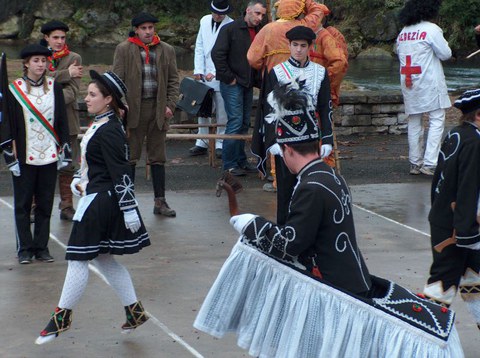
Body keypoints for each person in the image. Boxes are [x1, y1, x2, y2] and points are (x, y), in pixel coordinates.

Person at [35, 70, 151, 345]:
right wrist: (79, 179)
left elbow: (122, 170)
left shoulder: (110, 129)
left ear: (108, 99)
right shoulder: (102, 123)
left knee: (78, 257)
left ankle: (61, 319)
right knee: (103, 258)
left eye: (92, 95)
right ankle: (134, 312)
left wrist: (129, 207)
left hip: (102, 202)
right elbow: (92, 164)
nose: (86, 99)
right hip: (95, 197)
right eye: (87, 93)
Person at [232, 80, 370, 295]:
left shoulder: (310, 187)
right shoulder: (330, 175)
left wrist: (253, 225)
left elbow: (290, 244)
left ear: (287, 148)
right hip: (351, 278)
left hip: (335, 289)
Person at [252, 26, 333, 225]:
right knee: (286, 190)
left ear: (310, 47)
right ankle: (284, 231)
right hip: (285, 142)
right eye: (294, 45)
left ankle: (308, 230)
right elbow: (268, 109)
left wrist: (328, 139)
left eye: (303, 46)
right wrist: (272, 141)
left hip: (310, 141)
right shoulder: (277, 72)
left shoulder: (320, 72)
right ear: (288, 45)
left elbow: (325, 107)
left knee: (309, 187)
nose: (298, 50)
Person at [0, 44, 71, 264]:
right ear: (26, 64)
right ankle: (24, 249)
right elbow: (8, 125)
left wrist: (65, 151)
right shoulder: (15, 90)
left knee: (45, 203)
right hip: (24, 155)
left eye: (43, 60)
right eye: (36, 61)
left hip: (49, 154)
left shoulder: (55, 87)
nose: (40, 65)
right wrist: (9, 156)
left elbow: (61, 121)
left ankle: (41, 247)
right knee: (22, 205)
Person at [422, 89, 480, 331]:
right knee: (442, 285)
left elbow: (439, 181)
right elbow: (468, 188)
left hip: (447, 220)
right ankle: (424, 336)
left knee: (473, 280)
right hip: (460, 228)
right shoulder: (475, 142)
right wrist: (467, 233)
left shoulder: (456, 134)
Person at [113, 12, 179, 216]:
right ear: (136, 30)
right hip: (135, 110)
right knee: (130, 157)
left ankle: (160, 202)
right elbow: (116, 80)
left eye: (151, 28)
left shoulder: (166, 49)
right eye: (144, 28)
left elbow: (174, 80)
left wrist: (170, 104)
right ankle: (128, 202)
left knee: (158, 157)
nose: (148, 32)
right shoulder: (124, 49)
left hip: (158, 109)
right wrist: (122, 106)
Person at [396, 0, 452, 176]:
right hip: (429, 81)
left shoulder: (403, 32)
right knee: (436, 118)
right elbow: (445, 54)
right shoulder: (432, 29)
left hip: (409, 81)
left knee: (414, 121)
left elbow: (399, 53)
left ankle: (415, 163)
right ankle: (430, 163)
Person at [212, 0, 267, 176]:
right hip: (233, 83)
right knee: (235, 121)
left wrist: (258, 80)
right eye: (257, 13)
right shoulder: (230, 29)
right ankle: (229, 164)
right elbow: (217, 54)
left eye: (262, 15)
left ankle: (240, 160)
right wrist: (229, 78)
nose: (260, 18)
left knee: (244, 123)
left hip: (247, 83)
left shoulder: (260, 31)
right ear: (248, 11)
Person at [41, 20, 83, 221]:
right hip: (40, 121)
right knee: (41, 163)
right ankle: (36, 205)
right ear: (46, 38)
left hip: (67, 119)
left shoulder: (74, 57)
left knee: (68, 164)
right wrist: (66, 74)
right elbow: (35, 78)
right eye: (55, 37)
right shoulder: (36, 57)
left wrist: (46, 96)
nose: (59, 41)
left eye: (63, 38)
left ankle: (66, 205)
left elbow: (72, 92)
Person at [189, 0, 233, 159]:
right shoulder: (204, 20)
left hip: (220, 73)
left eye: (220, 13)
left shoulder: (231, 25)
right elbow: (199, 45)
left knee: (222, 111)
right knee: (203, 108)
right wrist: (199, 70)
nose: (217, 15)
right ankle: (202, 141)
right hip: (204, 73)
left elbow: (229, 53)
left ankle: (221, 142)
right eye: (215, 12)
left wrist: (215, 72)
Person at [247, 0, 325, 73]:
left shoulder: (267, 29)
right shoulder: (305, 26)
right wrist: (306, 1)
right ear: (299, 10)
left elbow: (253, 58)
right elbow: (318, 10)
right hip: (300, 77)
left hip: (273, 77)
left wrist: (265, 66)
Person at [309, 5, 348, 107]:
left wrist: (324, 83)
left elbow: (341, 63)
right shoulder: (309, 35)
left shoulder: (331, 34)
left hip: (323, 92)